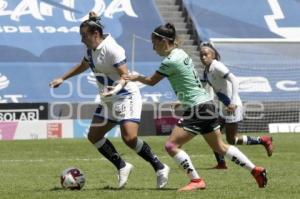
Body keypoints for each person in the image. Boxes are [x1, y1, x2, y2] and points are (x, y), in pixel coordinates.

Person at [125, 23, 268, 191]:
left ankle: (196, 180)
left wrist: (136, 77)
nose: (153, 46)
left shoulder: (170, 61)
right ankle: (256, 170)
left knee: (171, 146)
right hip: (207, 105)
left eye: (154, 42)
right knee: (220, 147)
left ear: (163, 41)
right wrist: (183, 101)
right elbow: (190, 83)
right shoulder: (181, 53)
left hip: (197, 108)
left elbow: (151, 81)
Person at [49, 12, 170, 189]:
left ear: (95, 34)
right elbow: (83, 65)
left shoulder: (113, 49)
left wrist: (116, 88)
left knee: (129, 138)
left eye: (84, 35)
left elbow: (125, 76)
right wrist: (63, 78)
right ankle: (122, 166)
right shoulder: (91, 49)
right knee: (94, 136)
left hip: (126, 96)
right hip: (109, 100)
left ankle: (160, 167)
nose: (82, 39)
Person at [199, 42, 273, 169]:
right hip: (223, 106)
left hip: (232, 106)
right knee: (212, 133)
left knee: (231, 140)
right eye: (201, 55)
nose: (203, 57)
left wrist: (232, 102)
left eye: (206, 55)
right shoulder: (206, 71)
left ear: (213, 55)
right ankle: (221, 163)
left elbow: (234, 79)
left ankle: (263, 140)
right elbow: (206, 89)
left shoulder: (217, 66)